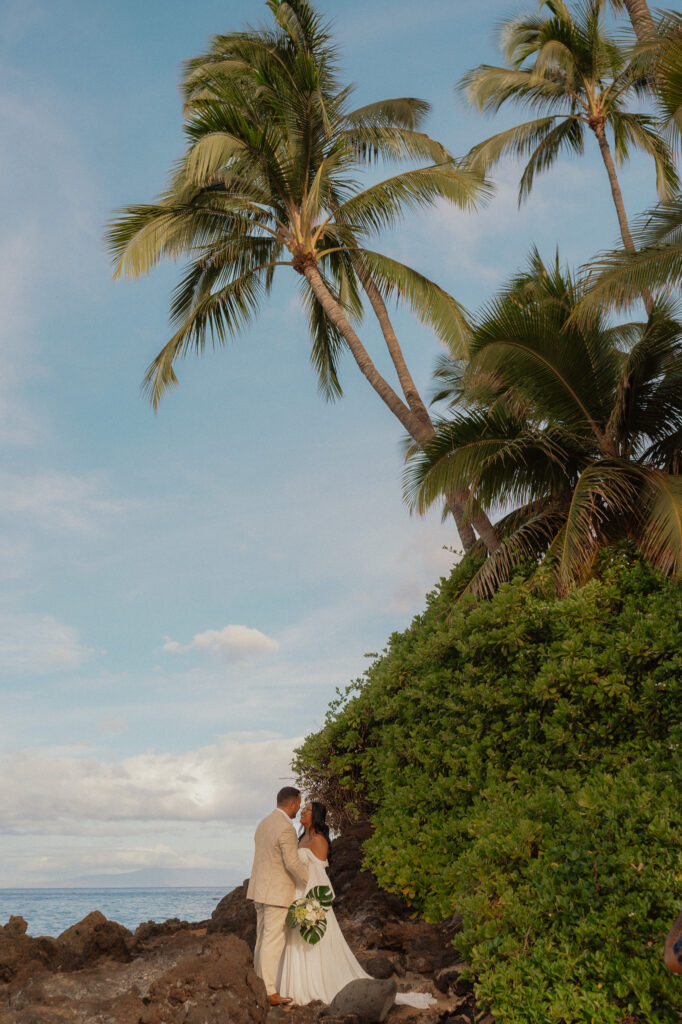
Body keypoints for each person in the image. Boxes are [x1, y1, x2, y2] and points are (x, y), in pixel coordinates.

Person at [276, 800, 435, 1009]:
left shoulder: (319, 840)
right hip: (296, 894)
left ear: (315, 816)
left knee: (313, 943)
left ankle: (313, 987)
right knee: (294, 940)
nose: (302, 811)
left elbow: (319, 875)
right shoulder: (302, 837)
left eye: (307, 809)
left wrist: (312, 904)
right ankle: (291, 987)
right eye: (303, 808)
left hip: (310, 895)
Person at [247, 786, 309, 1007]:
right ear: (292, 803)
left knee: (262, 939)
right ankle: (268, 991)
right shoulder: (285, 827)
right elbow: (291, 862)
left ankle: (257, 986)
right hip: (276, 892)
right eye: (299, 804)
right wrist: (309, 880)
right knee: (273, 941)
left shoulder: (263, 824)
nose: (299, 808)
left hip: (259, 890)